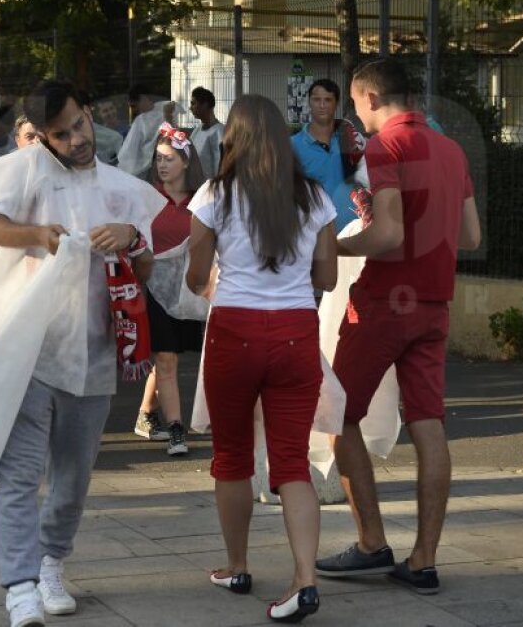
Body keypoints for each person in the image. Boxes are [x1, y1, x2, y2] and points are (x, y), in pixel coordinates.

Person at [0, 80, 163, 627]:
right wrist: (39, 234)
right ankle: (20, 585)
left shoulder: (123, 188)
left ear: (89, 113)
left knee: (74, 475)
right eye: (63, 133)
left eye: (80, 124)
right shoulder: (27, 171)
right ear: (44, 138)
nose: (78, 138)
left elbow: (146, 271)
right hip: (29, 345)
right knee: (20, 472)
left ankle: (52, 562)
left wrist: (131, 237)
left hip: (97, 349)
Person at [316, 59, 481, 596]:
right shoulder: (451, 149)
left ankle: (371, 544)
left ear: (365, 97)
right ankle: (424, 561)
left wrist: (336, 245)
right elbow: (471, 237)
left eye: (354, 104)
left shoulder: (384, 148)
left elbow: (385, 235)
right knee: (428, 424)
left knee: (338, 413)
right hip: (434, 303)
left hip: (386, 301)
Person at [186, 94, 338, 624]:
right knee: (291, 461)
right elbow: (327, 279)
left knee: (231, 456)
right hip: (297, 331)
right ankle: (306, 579)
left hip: (235, 331)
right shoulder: (315, 197)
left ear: (235, 137)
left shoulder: (215, 194)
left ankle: (236, 565)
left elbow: (194, 275)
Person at [134, 124, 206, 455]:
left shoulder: (203, 199)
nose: (162, 165)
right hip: (150, 289)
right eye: (158, 159)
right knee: (165, 358)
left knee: (171, 357)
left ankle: (146, 413)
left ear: (187, 162)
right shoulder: (146, 197)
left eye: (169, 159)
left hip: (189, 290)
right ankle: (177, 428)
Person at [291, 78, 367, 233]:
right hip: (313, 235)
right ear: (309, 103)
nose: (322, 105)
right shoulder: (291, 146)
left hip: (352, 232)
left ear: (336, 103)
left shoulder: (352, 141)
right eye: (316, 99)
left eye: (328, 100)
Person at [189, 86, 224, 178]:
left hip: (210, 188)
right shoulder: (196, 131)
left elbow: (220, 167)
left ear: (205, 105)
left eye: (193, 103)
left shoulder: (219, 132)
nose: (190, 108)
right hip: (195, 186)